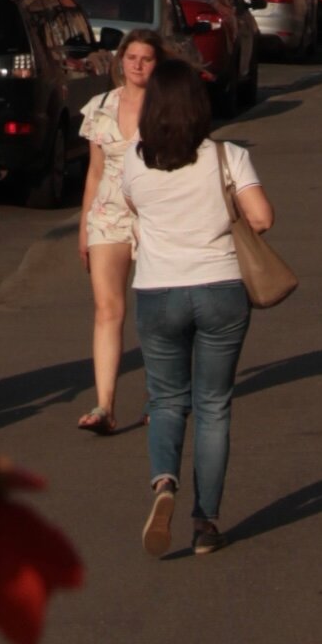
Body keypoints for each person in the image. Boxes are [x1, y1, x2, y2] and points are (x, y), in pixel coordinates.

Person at [120, 58, 274, 557]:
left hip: (157, 289)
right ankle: (206, 522)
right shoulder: (227, 157)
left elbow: (136, 210)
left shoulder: (132, 162)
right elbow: (262, 218)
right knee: (213, 407)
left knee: (166, 401)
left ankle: (164, 482)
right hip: (220, 287)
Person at [76, 30, 157, 435]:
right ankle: (104, 406)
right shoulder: (100, 107)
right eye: (132, 57)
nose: (138, 64)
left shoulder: (166, 107)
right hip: (106, 215)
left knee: (156, 311)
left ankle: (160, 399)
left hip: (155, 215)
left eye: (147, 58)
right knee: (108, 310)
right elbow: (93, 173)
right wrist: (83, 226)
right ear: (120, 61)